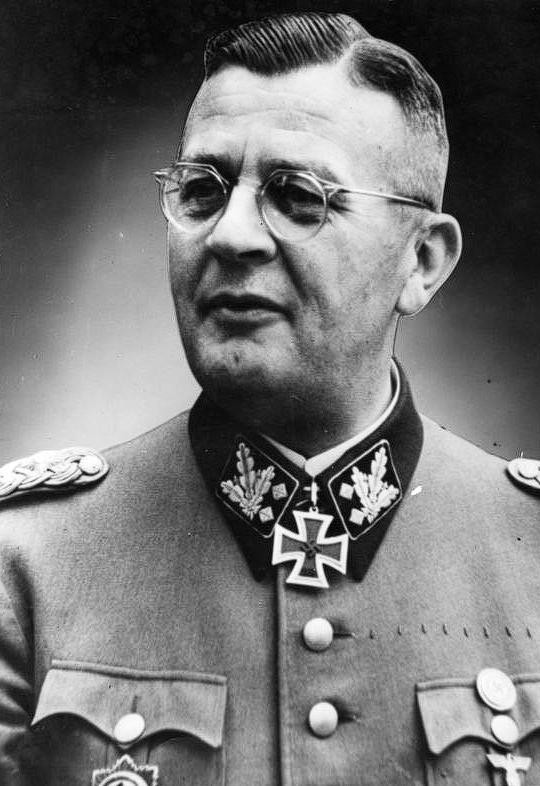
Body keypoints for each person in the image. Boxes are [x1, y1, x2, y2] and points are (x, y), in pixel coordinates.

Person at [0, 11, 538, 786]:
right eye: (202, 190)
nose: (231, 235)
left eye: (296, 196)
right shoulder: (26, 565)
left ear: (422, 261)